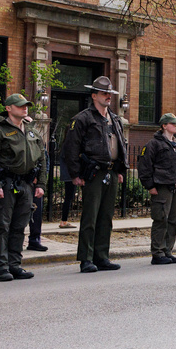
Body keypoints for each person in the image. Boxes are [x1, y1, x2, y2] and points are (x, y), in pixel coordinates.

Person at [61, 76, 127, 273]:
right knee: (90, 216)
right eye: (104, 93)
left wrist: (120, 170)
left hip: (111, 171)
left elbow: (120, 145)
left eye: (110, 93)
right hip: (93, 173)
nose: (108, 97)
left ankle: (102, 256)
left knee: (106, 217)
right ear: (94, 95)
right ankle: (86, 258)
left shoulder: (114, 119)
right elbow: (70, 149)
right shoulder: (82, 119)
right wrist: (75, 174)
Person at [0, 94, 46, 282]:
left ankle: (15, 265)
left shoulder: (31, 131)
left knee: (19, 227)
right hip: (6, 184)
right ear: (9, 108)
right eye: (20, 106)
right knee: (3, 226)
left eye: (26, 105)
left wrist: (40, 184)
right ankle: (1, 267)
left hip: (26, 185)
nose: (24, 108)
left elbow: (42, 158)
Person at [137, 113, 176, 265]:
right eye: (173, 123)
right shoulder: (154, 144)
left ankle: (168, 250)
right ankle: (158, 252)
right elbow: (144, 166)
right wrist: (150, 186)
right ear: (164, 126)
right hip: (162, 185)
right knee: (161, 217)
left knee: (174, 218)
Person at [58, 150, 76, 228]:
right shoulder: (68, 148)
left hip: (68, 175)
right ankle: (64, 221)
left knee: (69, 198)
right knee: (69, 198)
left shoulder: (65, 148)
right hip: (70, 176)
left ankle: (64, 220)